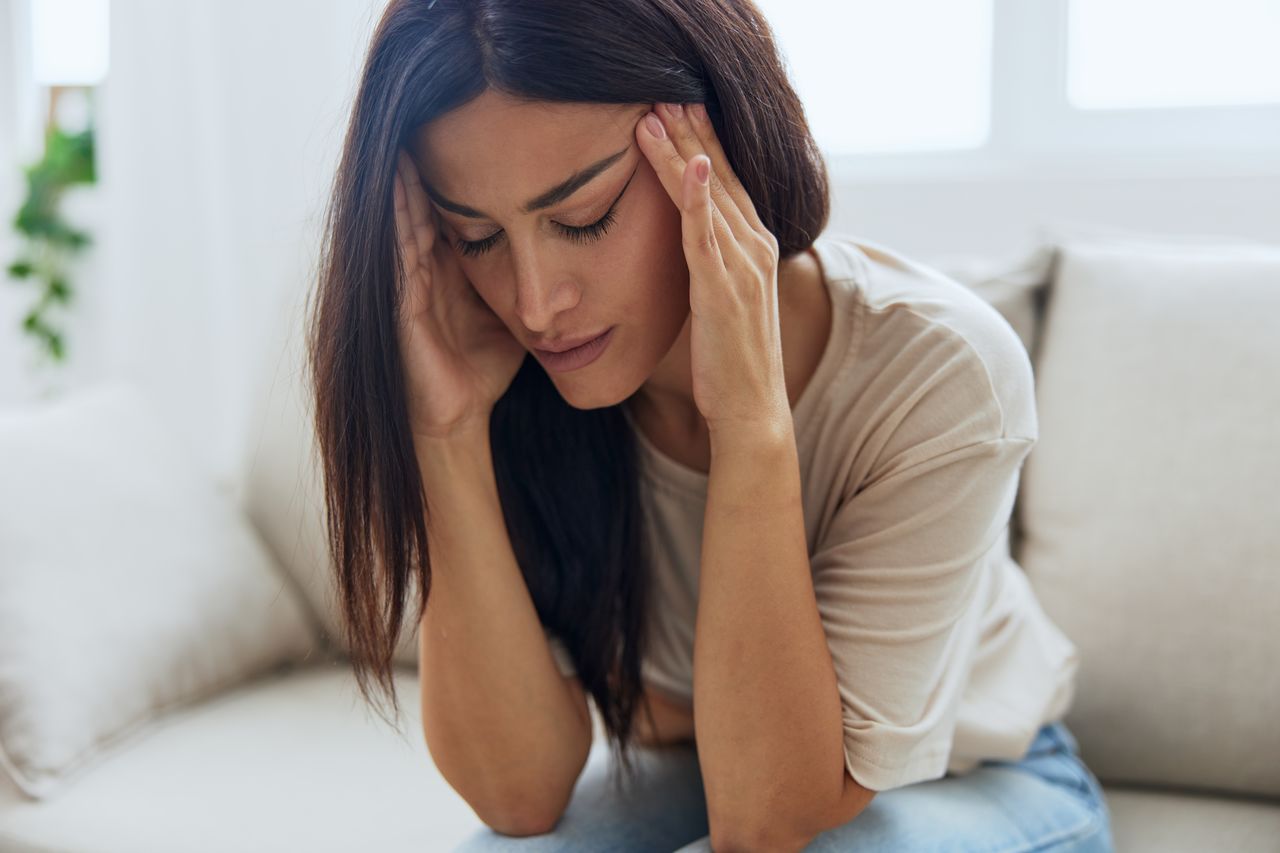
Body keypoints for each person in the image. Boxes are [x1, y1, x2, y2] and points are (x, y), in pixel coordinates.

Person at [305, 0, 1115, 850]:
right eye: (478, 237)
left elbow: (766, 823)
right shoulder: (508, 364)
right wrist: (447, 433)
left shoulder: (942, 371)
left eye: (584, 217)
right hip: (713, 755)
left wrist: (750, 421)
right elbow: (518, 796)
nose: (536, 304)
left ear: (718, 141)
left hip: (987, 777)